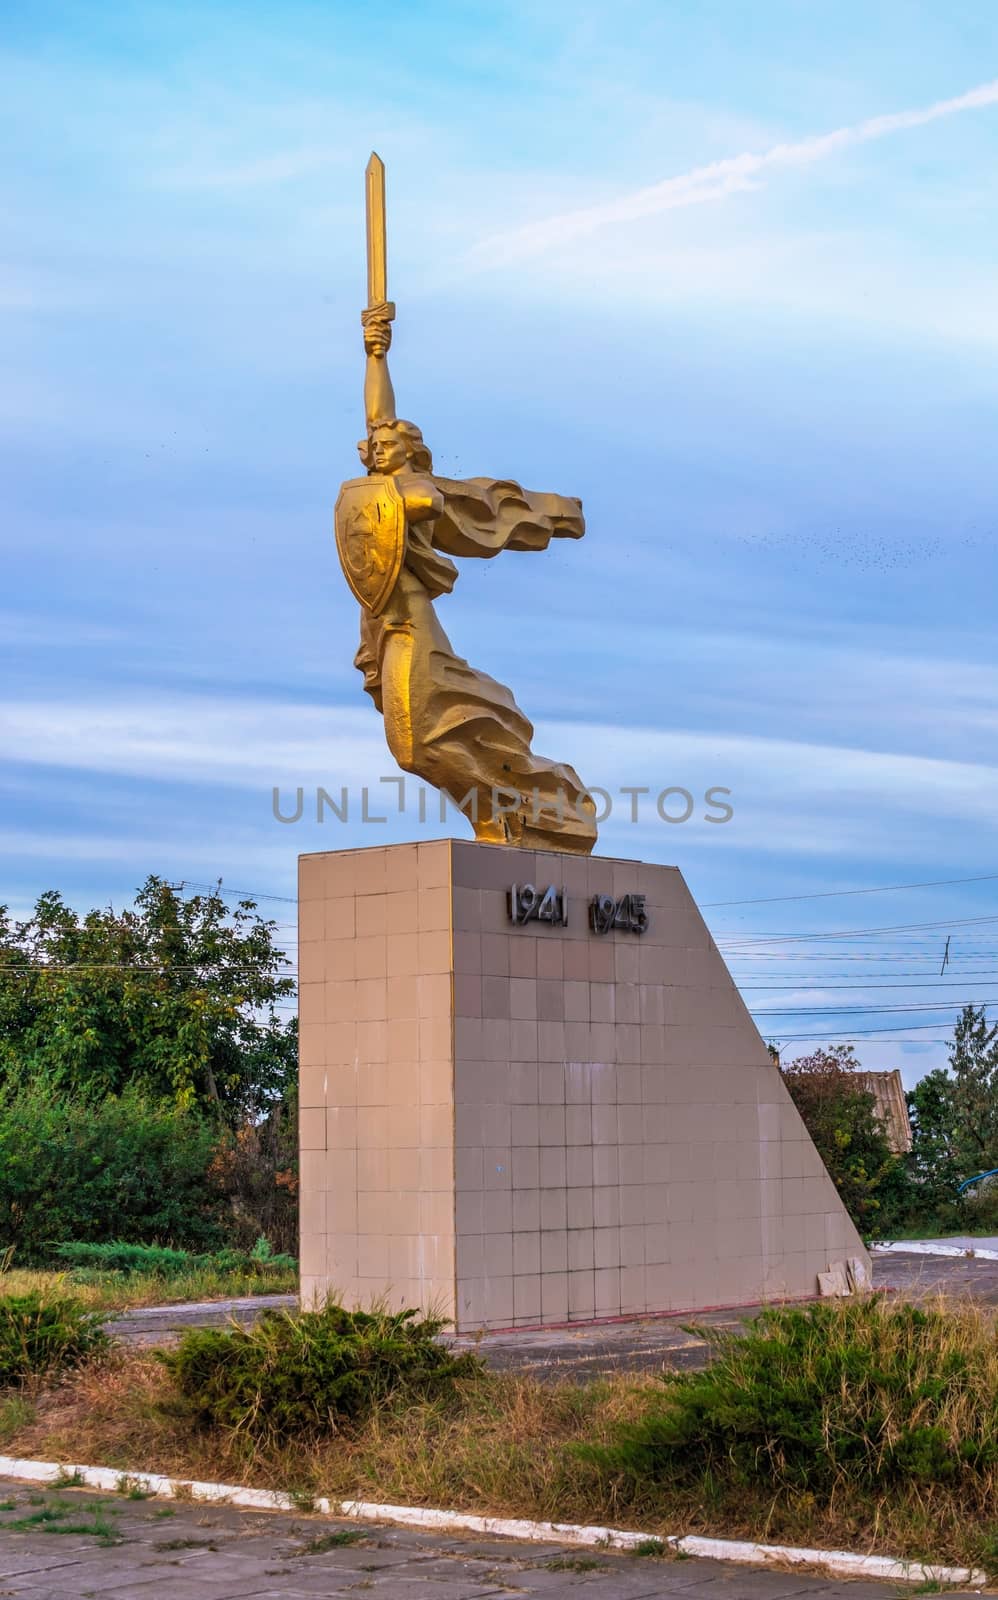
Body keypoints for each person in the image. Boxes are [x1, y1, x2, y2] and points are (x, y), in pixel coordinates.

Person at [338, 301, 597, 852]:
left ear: (412, 453)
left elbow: (424, 497)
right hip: (379, 623)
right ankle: (506, 817)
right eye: (375, 444)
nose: (377, 446)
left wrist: (413, 488)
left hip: (409, 619)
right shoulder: (380, 490)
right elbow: (377, 416)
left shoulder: (421, 491)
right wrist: (375, 353)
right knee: (420, 742)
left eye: (390, 444)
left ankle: (520, 805)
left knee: (416, 743)